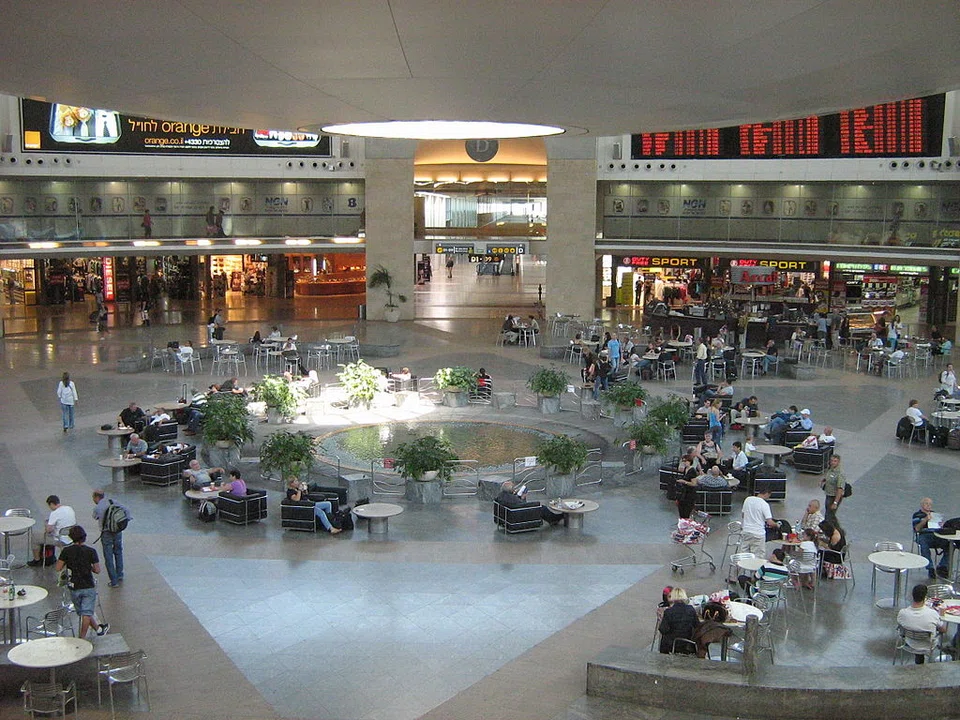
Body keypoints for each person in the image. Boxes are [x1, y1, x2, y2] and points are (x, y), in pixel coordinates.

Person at [56, 526, 103, 638]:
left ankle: (99, 629)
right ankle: (82, 638)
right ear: (84, 537)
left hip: (74, 586)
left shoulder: (66, 551)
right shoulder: (91, 551)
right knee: (86, 613)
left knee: (83, 612)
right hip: (88, 585)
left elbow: (58, 567)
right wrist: (89, 567)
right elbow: (97, 570)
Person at [897, 584, 945, 663]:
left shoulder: (902, 613)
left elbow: (900, 625)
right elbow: (943, 630)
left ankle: (919, 660)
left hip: (909, 643)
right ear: (925, 597)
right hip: (928, 645)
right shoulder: (932, 614)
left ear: (912, 596)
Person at [91, 489, 129, 587]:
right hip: (117, 531)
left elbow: (95, 517)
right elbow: (126, 510)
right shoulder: (113, 501)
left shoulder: (98, 507)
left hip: (106, 533)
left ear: (96, 497)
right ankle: (120, 574)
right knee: (118, 552)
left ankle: (113, 581)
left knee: (108, 557)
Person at [29, 495, 77, 566]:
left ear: (51, 504)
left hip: (61, 540)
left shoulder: (54, 513)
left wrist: (46, 525)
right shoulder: (69, 508)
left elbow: (48, 530)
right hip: (71, 537)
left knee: (35, 538)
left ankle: (37, 560)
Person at [913, 497, 950, 579]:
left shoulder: (934, 515)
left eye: (930, 504)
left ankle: (943, 566)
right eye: (927, 504)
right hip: (924, 535)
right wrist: (925, 519)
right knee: (923, 544)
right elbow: (917, 529)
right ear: (922, 505)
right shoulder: (917, 515)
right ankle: (930, 568)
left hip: (936, 534)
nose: (929, 506)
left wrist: (942, 525)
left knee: (950, 545)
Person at [495, 481, 563, 525]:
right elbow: (522, 505)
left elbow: (515, 503)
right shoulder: (512, 499)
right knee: (542, 508)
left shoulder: (501, 496)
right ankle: (555, 519)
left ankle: (554, 519)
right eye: (513, 488)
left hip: (510, 516)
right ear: (510, 490)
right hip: (520, 515)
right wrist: (523, 498)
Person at [658, 587, 700, 654]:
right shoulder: (691, 609)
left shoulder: (669, 612)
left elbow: (663, 629)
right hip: (687, 643)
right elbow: (697, 626)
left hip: (671, 644)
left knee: (665, 639)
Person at [740, 488, 778, 558]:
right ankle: (754, 569)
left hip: (746, 531)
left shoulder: (748, 499)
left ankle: (741, 568)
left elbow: (743, 515)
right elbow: (769, 522)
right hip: (758, 533)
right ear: (767, 494)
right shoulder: (764, 504)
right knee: (758, 556)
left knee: (744, 554)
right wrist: (777, 525)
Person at [821, 454, 846, 525]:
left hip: (833, 496)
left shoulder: (840, 474)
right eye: (831, 461)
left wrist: (835, 502)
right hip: (828, 494)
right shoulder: (831, 470)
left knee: (829, 515)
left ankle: (831, 528)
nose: (832, 462)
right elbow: (828, 477)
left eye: (835, 461)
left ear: (838, 462)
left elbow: (840, 489)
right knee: (828, 513)